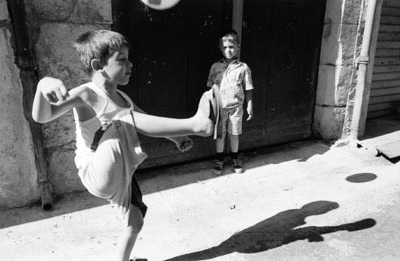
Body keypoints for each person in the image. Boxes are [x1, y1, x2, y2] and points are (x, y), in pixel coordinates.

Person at [31, 30, 215, 261]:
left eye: (129, 58)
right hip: (96, 172)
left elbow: (144, 119)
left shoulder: (124, 99)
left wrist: (176, 138)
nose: (130, 64)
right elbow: (42, 117)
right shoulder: (87, 93)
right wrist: (42, 85)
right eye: (122, 60)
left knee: (135, 221)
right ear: (98, 65)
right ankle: (196, 125)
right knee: (120, 119)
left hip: (121, 172)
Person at [206, 30, 254, 175]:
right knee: (220, 135)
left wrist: (250, 105)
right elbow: (210, 88)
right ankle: (219, 160)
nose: (228, 50)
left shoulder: (243, 68)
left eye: (232, 47)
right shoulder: (215, 67)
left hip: (236, 108)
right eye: (225, 47)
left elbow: (248, 88)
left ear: (238, 47)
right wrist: (209, 106)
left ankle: (235, 158)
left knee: (234, 134)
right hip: (220, 109)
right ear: (221, 48)